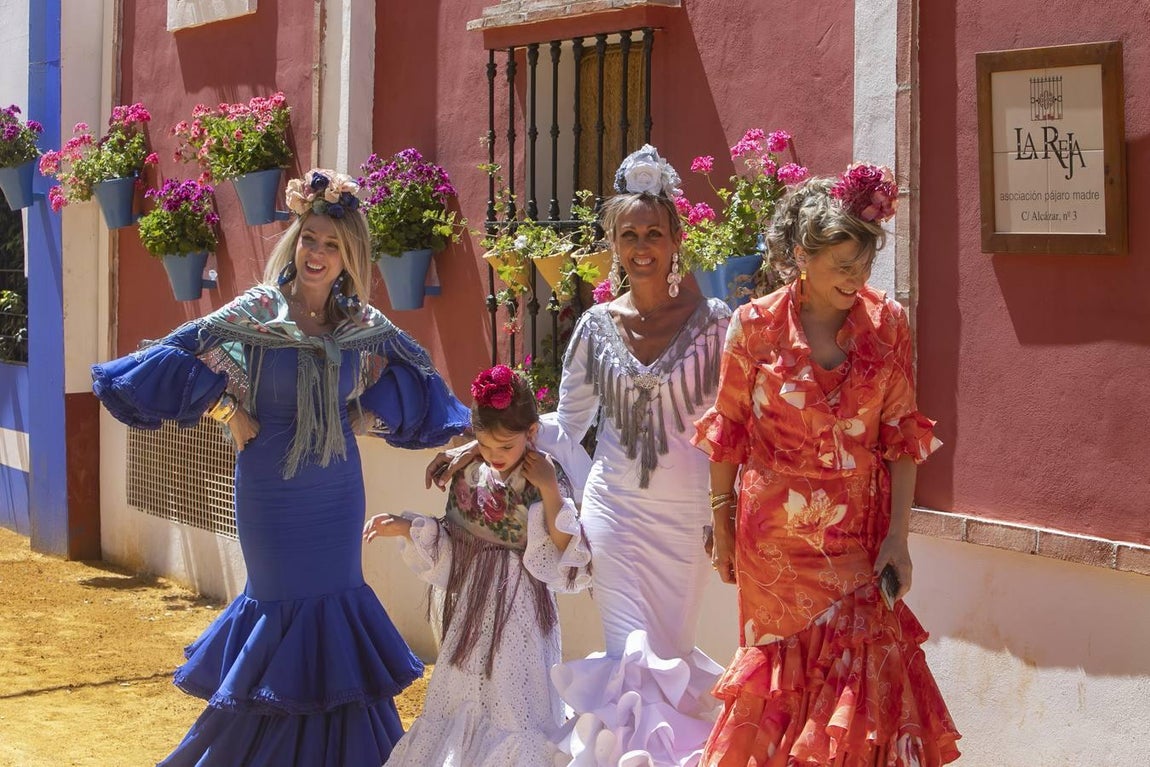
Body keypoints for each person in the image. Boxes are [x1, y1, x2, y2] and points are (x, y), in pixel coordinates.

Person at [91, 168, 470, 767]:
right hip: (271, 491)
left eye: (332, 245)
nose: (317, 253)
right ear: (294, 242)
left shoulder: (360, 325)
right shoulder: (258, 311)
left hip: (336, 492)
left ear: (350, 257)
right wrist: (225, 409)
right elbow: (168, 354)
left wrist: (365, 416)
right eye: (309, 239)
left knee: (336, 609)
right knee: (279, 610)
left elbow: (419, 373)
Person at [692, 165, 961, 766]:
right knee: (783, 682)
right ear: (801, 257)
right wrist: (722, 526)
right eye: (842, 264)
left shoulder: (888, 323)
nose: (856, 278)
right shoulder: (753, 327)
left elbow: (902, 436)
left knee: (862, 672)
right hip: (774, 548)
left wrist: (899, 537)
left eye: (864, 263)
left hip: (860, 537)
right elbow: (728, 431)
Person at [363, 364, 591, 765]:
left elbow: (564, 550)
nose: (494, 456)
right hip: (472, 609)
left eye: (505, 447)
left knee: (515, 703)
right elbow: (454, 542)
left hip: (523, 611)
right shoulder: (470, 473)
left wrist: (549, 488)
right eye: (485, 445)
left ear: (531, 433)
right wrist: (406, 527)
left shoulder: (544, 475)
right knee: (464, 693)